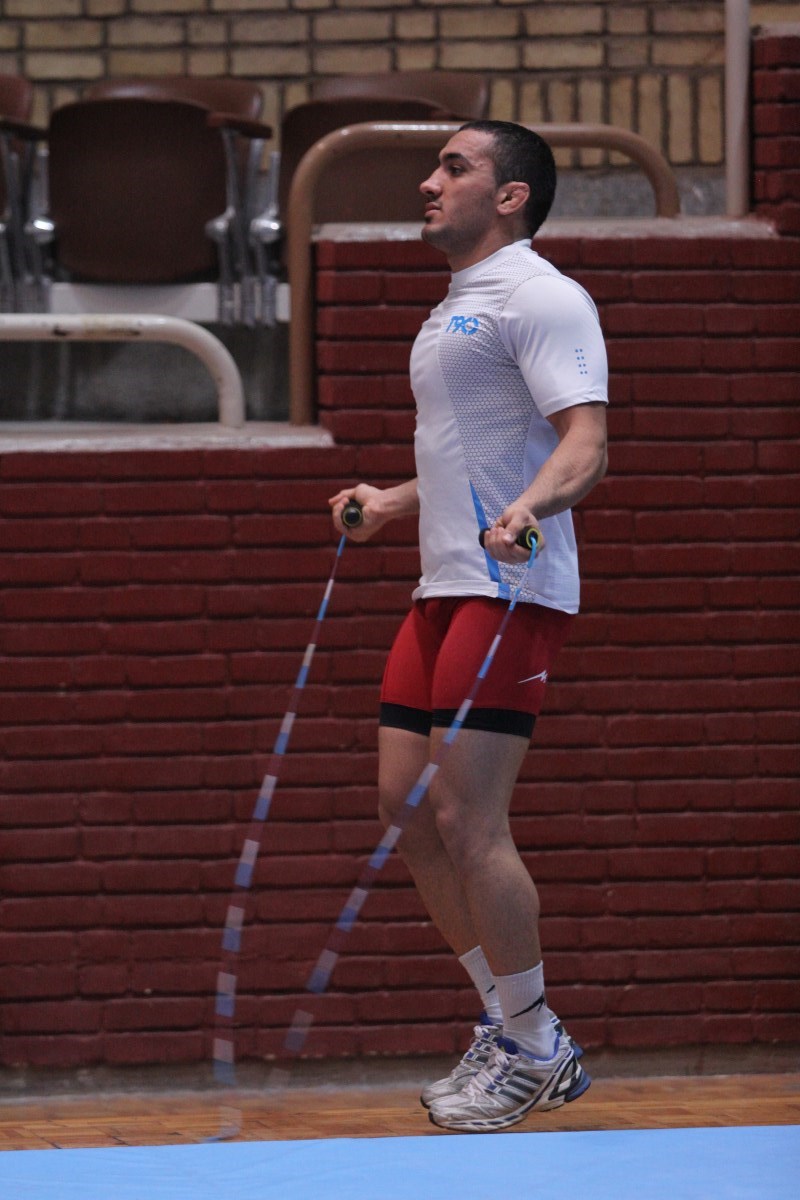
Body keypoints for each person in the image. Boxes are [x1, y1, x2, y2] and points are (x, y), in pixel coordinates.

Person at [329, 120, 608, 1133]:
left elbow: (584, 443)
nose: (428, 181)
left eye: (454, 167)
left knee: (467, 820)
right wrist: (393, 502)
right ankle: (516, 1027)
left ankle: (531, 1043)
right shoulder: (456, 306)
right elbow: (469, 454)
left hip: (508, 590)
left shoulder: (542, 296)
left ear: (511, 196)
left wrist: (531, 509)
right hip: (441, 585)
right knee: (407, 811)